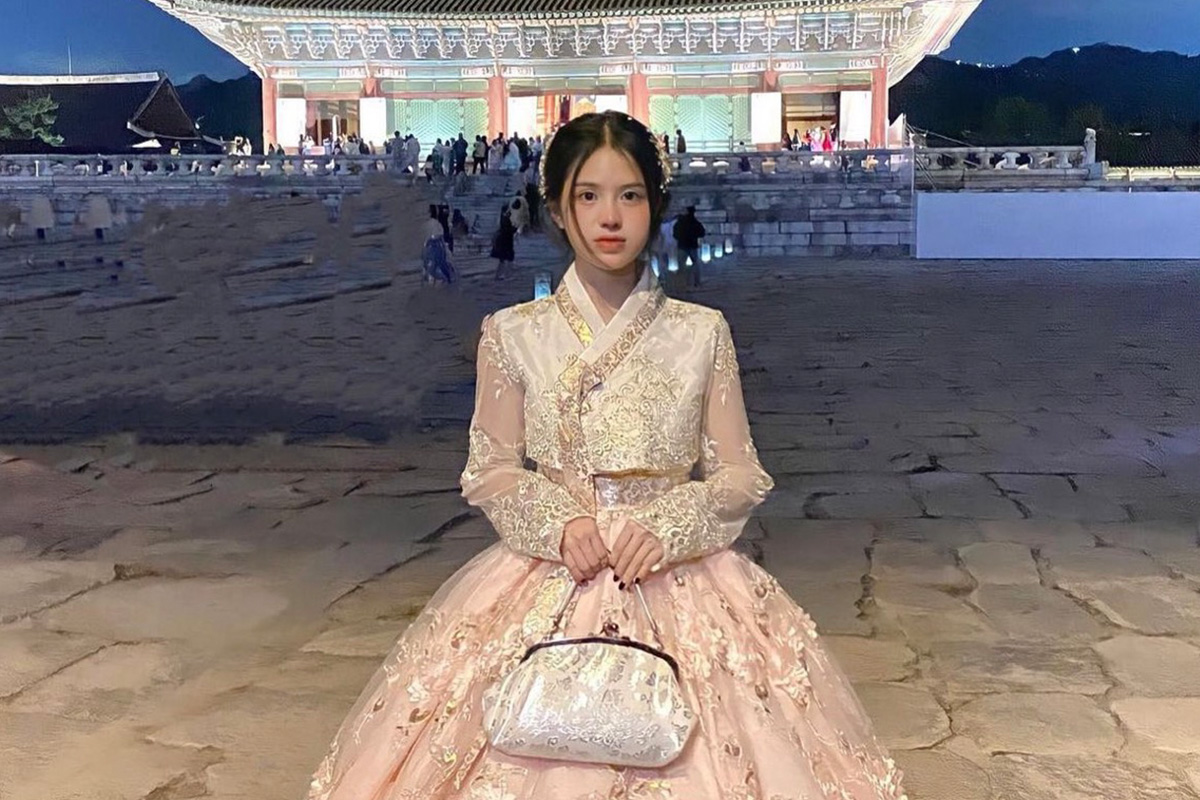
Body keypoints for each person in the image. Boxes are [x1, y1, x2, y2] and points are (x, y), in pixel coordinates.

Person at [307, 109, 906, 800]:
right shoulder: (511, 333)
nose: (609, 217)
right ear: (558, 210)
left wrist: (671, 525)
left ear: (656, 206)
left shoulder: (701, 332)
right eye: (587, 196)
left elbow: (741, 473)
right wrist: (558, 522)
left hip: (677, 571)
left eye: (630, 196)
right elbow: (491, 468)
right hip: (553, 565)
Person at [672, 205, 706, 288]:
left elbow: (675, 233)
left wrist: (680, 238)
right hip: (692, 245)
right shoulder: (695, 222)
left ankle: (682, 283)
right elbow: (702, 233)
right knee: (695, 264)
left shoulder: (680, 222)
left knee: (681, 265)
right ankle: (697, 282)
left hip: (682, 245)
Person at [421, 205, 456, 285]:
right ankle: (447, 280)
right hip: (437, 247)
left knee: (431, 267)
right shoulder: (436, 224)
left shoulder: (430, 224)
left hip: (433, 247)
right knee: (440, 267)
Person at [489, 207, 516, 281]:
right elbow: (507, 229)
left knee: (503, 259)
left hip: (504, 241)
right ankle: (505, 275)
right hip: (506, 241)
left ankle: (501, 275)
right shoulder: (506, 219)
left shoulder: (503, 218)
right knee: (507, 259)